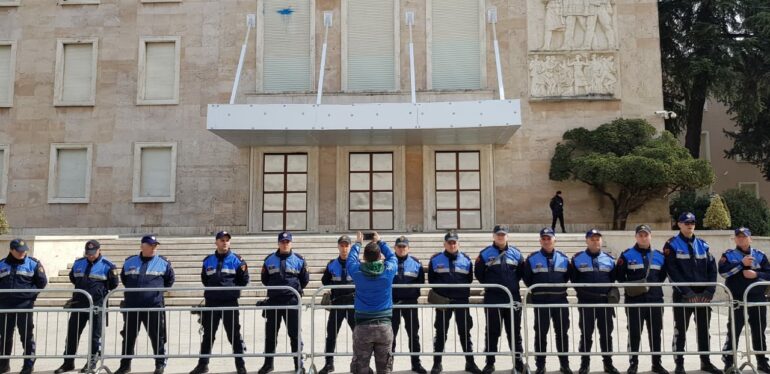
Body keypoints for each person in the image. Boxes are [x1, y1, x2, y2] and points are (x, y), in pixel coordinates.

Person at [664, 212, 722, 374]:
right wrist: (687, 292)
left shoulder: (703, 244)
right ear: (679, 224)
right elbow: (672, 272)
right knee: (680, 331)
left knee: (704, 330)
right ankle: (679, 364)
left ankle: (705, 362)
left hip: (703, 295)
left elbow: (712, 269)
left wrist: (710, 291)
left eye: (692, 222)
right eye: (686, 222)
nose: (690, 225)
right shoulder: (672, 245)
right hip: (684, 296)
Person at [55, 240, 119, 374]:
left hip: (97, 305)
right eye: (88, 253)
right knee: (72, 333)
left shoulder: (108, 266)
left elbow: (113, 284)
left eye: (93, 253)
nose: (90, 255)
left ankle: (91, 362)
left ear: (99, 250)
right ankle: (68, 362)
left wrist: (98, 292)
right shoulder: (78, 263)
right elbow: (73, 278)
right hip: (78, 304)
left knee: (95, 335)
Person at [189, 231, 249, 374]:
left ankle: (240, 366)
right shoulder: (208, 261)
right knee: (208, 335)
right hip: (212, 303)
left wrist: (230, 292)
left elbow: (244, 281)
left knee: (234, 335)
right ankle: (203, 365)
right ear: (216, 242)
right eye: (222, 240)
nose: (225, 242)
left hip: (229, 303)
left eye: (227, 240)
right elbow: (205, 279)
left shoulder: (238, 261)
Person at [115, 235, 175, 374]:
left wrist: (154, 294)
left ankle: (159, 364)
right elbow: (124, 279)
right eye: (150, 245)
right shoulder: (130, 262)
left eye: (155, 245)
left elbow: (169, 281)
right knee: (129, 336)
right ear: (142, 246)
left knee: (157, 336)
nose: (154, 248)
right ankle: (125, 365)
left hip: (153, 307)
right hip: (132, 306)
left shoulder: (163, 262)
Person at [615, 225, 669, 374]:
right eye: (640, 235)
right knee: (634, 332)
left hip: (655, 299)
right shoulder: (626, 255)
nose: (643, 238)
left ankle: (656, 363)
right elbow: (620, 276)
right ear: (636, 237)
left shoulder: (659, 255)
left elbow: (662, 276)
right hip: (634, 301)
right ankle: (633, 363)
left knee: (656, 332)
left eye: (646, 235)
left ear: (650, 236)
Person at [428, 231, 482, 374]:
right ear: (444, 244)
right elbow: (432, 281)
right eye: (449, 242)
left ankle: (470, 363)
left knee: (465, 333)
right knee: (440, 333)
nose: (452, 245)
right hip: (443, 303)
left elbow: (469, 279)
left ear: (458, 243)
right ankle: (437, 364)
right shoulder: (435, 260)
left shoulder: (466, 260)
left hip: (461, 302)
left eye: (454, 242)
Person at [474, 225, 525, 374]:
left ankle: (518, 362)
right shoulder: (484, 254)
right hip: (493, 298)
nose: (501, 237)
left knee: (514, 331)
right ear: (493, 236)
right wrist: (493, 287)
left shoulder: (516, 253)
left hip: (512, 297)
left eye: (503, 234)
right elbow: (479, 274)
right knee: (492, 331)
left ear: (507, 236)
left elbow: (521, 273)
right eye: (498, 234)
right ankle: (490, 363)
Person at [521, 228, 573, 374]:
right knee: (540, 334)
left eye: (549, 238)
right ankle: (540, 365)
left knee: (562, 334)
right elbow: (527, 279)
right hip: (541, 302)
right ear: (540, 241)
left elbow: (567, 276)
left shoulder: (563, 258)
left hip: (560, 301)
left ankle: (564, 364)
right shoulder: (532, 258)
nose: (546, 241)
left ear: (554, 240)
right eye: (543, 238)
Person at [719, 227, 770, 373]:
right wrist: (741, 264)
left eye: (744, 236)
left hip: (757, 298)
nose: (741, 239)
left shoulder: (760, 255)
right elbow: (723, 272)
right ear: (735, 239)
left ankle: (761, 361)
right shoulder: (728, 255)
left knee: (759, 330)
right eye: (738, 237)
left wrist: (756, 275)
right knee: (734, 330)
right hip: (737, 299)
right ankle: (729, 361)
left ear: (750, 239)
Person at [347, 231, 398, 374]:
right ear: (380, 256)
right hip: (384, 326)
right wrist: (381, 242)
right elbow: (393, 257)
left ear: (364, 257)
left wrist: (358, 243)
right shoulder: (388, 271)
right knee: (384, 369)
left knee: (361, 368)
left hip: (363, 326)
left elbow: (350, 260)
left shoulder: (357, 272)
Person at [258, 231, 309, 374]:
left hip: (291, 301)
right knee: (270, 334)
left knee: (294, 334)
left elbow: (304, 280)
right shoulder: (269, 260)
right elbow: (265, 279)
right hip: (274, 302)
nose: (285, 244)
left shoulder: (299, 259)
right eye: (282, 242)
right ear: (278, 243)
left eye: (287, 242)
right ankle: (268, 364)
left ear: (291, 243)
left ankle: (298, 364)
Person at [570, 229, 619, 374]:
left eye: (597, 239)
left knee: (606, 334)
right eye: (592, 239)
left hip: (604, 303)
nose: (595, 241)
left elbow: (612, 278)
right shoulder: (577, 258)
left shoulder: (609, 259)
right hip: (586, 303)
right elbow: (574, 279)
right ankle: (584, 364)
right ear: (586, 241)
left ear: (601, 241)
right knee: (586, 334)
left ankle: (608, 364)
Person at [0, 239, 47, 374]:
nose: (22, 253)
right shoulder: (2, 264)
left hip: (24, 306)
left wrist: (30, 298)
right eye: (19, 251)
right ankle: (3, 364)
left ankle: (28, 364)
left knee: (26, 336)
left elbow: (42, 282)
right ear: (11, 250)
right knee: (5, 336)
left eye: (24, 250)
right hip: (5, 306)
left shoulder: (33, 263)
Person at [318, 235, 357, 374]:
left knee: (358, 335)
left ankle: (359, 363)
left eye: (347, 245)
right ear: (338, 246)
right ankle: (329, 364)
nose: (344, 248)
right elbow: (325, 281)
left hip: (353, 304)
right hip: (337, 303)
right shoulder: (332, 264)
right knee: (331, 335)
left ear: (350, 247)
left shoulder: (356, 264)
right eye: (342, 245)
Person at [391, 235, 427, 374]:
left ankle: (416, 363)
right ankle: (388, 364)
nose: (401, 249)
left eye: (404, 246)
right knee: (390, 336)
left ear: (408, 248)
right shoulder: (388, 262)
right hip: (392, 304)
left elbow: (420, 282)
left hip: (410, 304)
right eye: (399, 246)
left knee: (413, 334)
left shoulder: (416, 263)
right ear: (395, 248)